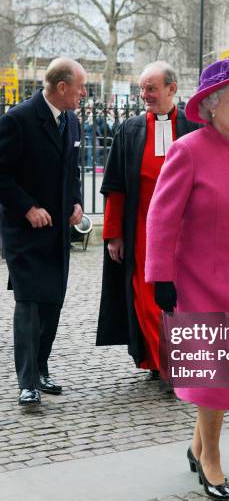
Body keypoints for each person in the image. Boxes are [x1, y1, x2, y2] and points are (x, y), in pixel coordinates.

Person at [145, 59, 229, 500]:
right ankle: (212, 459)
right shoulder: (187, 150)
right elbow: (161, 218)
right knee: (215, 371)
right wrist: (160, 277)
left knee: (225, 368)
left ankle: (197, 445)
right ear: (212, 105)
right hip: (198, 278)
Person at [96, 61, 199, 378]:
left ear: (172, 89)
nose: (144, 95)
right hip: (142, 230)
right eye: (142, 88)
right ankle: (165, 364)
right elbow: (115, 187)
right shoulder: (130, 130)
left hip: (187, 232)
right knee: (146, 296)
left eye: (150, 88)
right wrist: (114, 233)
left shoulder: (195, 128)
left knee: (186, 297)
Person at [0, 57, 86, 405]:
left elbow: (72, 171)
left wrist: (77, 202)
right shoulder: (17, 120)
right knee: (30, 303)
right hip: (24, 232)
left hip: (58, 232)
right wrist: (28, 207)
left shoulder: (72, 121)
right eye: (79, 87)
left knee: (53, 302)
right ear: (61, 87)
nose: (83, 93)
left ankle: (42, 369)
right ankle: (27, 382)